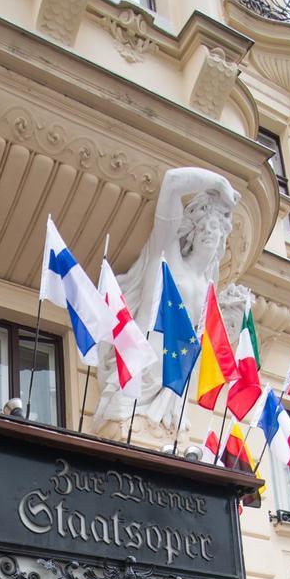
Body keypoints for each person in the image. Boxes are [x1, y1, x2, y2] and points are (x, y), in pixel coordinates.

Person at [95, 167, 239, 426]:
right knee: (116, 430)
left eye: (215, 228)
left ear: (222, 240)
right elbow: (172, 182)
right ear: (191, 232)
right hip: (141, 368)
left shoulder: (209, 286)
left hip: (174, 384)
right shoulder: (167, 257)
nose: (208, 232)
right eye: (203, 227)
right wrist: (218, 182)